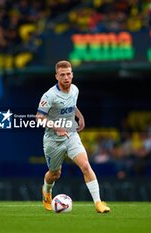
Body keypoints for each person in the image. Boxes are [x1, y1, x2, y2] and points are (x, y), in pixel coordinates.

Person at [36, 60, 110, 213]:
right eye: (62, 75)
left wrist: (80, 116)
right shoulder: (49, 95)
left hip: (71, 135)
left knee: (85, 165)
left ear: (72, 75)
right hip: (53, 141)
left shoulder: (75, 89)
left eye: (68, 74)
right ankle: (47, 191)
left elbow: (71, 105)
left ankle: (98, 203)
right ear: (56, 76)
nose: (66, 77)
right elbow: (39, 117)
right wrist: (56, 127)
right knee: (55, 174)